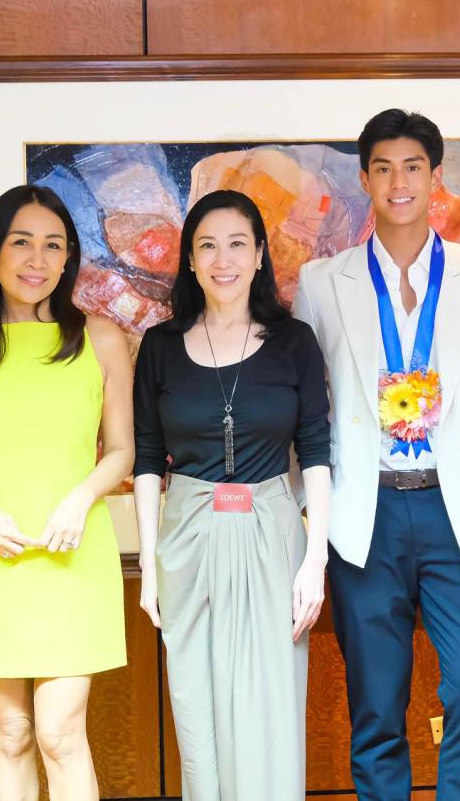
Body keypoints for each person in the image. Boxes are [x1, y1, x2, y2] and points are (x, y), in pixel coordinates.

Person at [293, 109, 460, 800]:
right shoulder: (321, 282)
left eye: (412, 167)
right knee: (375, 706)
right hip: (364, 516)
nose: (398, 182)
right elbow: (306, 406)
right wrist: (315, 509)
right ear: (365, 178)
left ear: (435, 177)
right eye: (384, 168)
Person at [0, 184, 133, 801]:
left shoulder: (101, 339)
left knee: (60, 733)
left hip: (73, 554)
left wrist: (81, 498)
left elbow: (122, 449)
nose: (37, 260)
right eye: (22, 242)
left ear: (69, 259)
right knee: (11, 732)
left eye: (53, 245)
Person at [132, 189, 331, 800]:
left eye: (238, 244)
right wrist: (148, 566)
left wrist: (315, 560)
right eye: (208, 246)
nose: (224, 260)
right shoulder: (161, 346)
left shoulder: (294, 342)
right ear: (190, 259)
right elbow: (147, 460)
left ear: (260, 254)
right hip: (186, 536)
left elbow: (317, 451)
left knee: (268, 709)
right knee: (197, 708)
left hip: (272, 534)